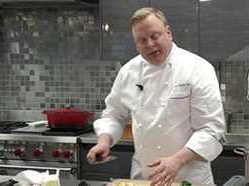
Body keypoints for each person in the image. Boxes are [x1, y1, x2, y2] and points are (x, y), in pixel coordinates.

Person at [86, 7, 225, 186]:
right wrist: (104, 141)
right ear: (136, 44)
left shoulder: (198, 69)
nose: (149, 44)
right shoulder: (128, 71)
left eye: (155, 36)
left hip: (189, 177)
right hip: (144, 177)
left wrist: (177, 160)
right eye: (142, 40)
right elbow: (114, 114)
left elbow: (212, 129)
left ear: (168, 32)